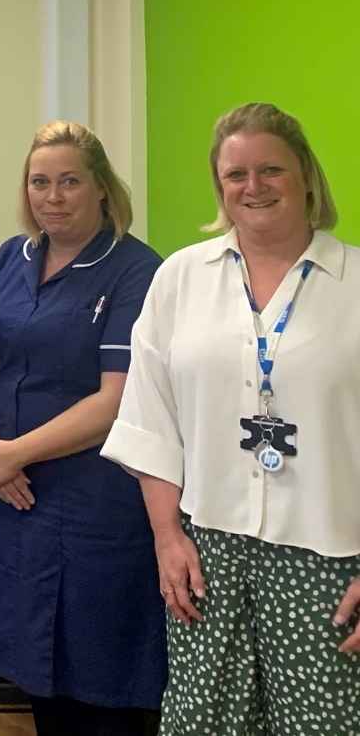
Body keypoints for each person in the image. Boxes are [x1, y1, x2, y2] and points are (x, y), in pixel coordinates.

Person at [102, 102, 360, 735]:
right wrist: (167, 537)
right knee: (204, 722)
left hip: (329, 558)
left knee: (323, 725)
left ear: (306, 176)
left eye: (270, 169)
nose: (253, 187)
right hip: (205, 551)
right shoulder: (180, 279)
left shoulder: (354, 280)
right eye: (235, 175)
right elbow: (151, 418)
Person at [0, 121, 164, 735]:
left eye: (70, 181)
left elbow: (115, 400)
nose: (54, 196)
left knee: (100, 675)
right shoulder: (11, 259)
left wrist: (13, 453)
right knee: (33, 671)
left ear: (101, 187)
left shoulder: (135, 271)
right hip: (11, 494)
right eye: (40, 182)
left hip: (92, 501)